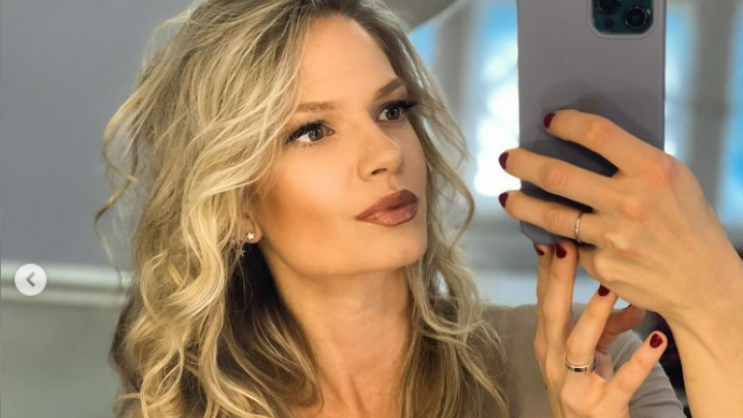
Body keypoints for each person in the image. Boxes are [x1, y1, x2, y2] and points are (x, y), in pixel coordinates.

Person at [95, 0, 717, 417]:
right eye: (312, 131)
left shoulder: (591, 362)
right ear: (234, 205)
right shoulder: (184, 407)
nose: (386, 154)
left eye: (391, 111)